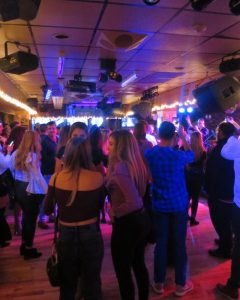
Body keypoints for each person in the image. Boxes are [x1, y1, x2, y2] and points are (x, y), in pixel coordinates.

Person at [44, 137, 105, 300]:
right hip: (91, 232)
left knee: (67, 286)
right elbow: (100, 208)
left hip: (66, 234)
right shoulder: (98, 178)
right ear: (88, 154)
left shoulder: (56, 178)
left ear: (67, 154)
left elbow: (47, 209)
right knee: (92, 284)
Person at [145, 122, 194, 297]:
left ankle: (158, 283)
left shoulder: (150, 154)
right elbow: (192, 155)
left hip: (159, 204)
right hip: (179, 204)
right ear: (173, 135)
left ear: (158, 134)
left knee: (161, 243)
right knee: (179, 244)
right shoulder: (177, 156)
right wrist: (183, 136)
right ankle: (181, 285)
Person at [106, 130, 150, 300]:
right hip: (140, 221)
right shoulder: (136, 164)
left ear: (121, 147)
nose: (107, 147)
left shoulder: (120, 168)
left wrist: (114, 212)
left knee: (123, 270)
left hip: (127, 224)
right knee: (138, 264)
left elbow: (134, 202)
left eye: (111, 144)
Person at [10, 130, 47, 259]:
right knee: (30, 219)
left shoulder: (16, 153)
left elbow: (11, 169)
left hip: (19, 187)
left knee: (26, 217)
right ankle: (28, 248)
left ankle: (24, 245)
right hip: (30, 189)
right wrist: (45, 189)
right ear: (35, 141)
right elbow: (36, 176)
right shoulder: (34, 156)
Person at [205, 122, 235, 258]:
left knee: (219, 218)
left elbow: (213, 171)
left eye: (218, 130)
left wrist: (209, 188)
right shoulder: (231, 145)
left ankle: (225, 248)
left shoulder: (221, 149)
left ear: (221, 132)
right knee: (225, 219)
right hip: (229, 188)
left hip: (220, 190)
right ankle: (225, 240)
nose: (217, 132)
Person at [215, 131, 240, 299]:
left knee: (239, 246)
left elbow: (225, 152)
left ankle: (233, 286)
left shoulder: (237, 144)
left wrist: (234, 135)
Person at [39, 121, 58, 229]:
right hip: (47, 172)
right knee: (46, 197)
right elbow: (43, 158)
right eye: (49, 128)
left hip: (56, 172)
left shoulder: (58, 139)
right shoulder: (44, 141)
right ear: (47, 129)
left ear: (56, 129)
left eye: (53, 128)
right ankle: (41, 220)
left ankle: (50, 215)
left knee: (54, 196)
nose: (51, 130)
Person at [186, 131, 206, 226]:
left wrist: (188, 165)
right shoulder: (203, 151)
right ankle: (193, 218)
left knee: (187, 197)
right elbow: (201, 164)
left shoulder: (186, 149)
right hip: (198, 177)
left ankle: (185, 215)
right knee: (195, 198)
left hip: (188, 176)